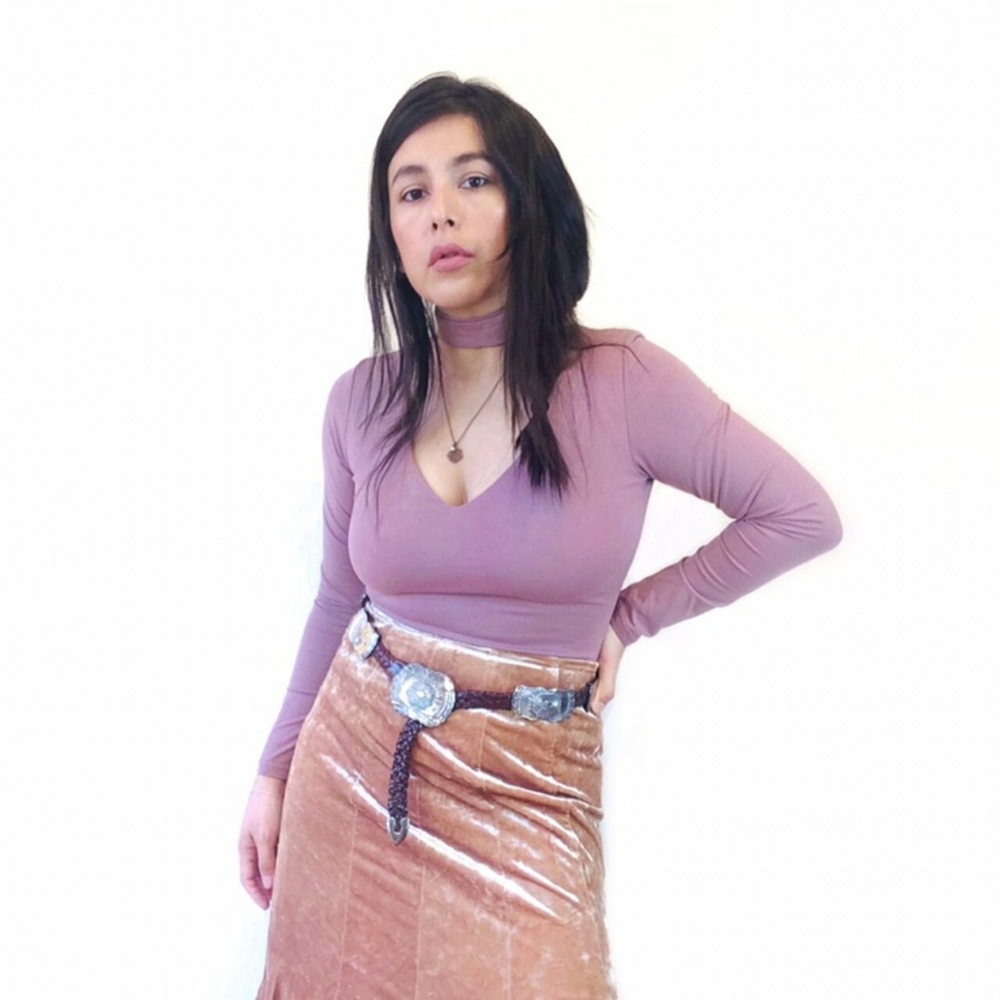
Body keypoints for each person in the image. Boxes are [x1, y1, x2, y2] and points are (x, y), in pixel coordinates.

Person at [239, 73, 842, 999]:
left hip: (531, 788)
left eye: (473, 180)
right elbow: (336, 597)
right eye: (411, 192)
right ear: (389, 234)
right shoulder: (360, 400)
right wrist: (275, 770)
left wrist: (629, 618)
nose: (440, 212)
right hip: (352, 776)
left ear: (529, 202)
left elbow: (799, 515)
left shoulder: (624, 379)